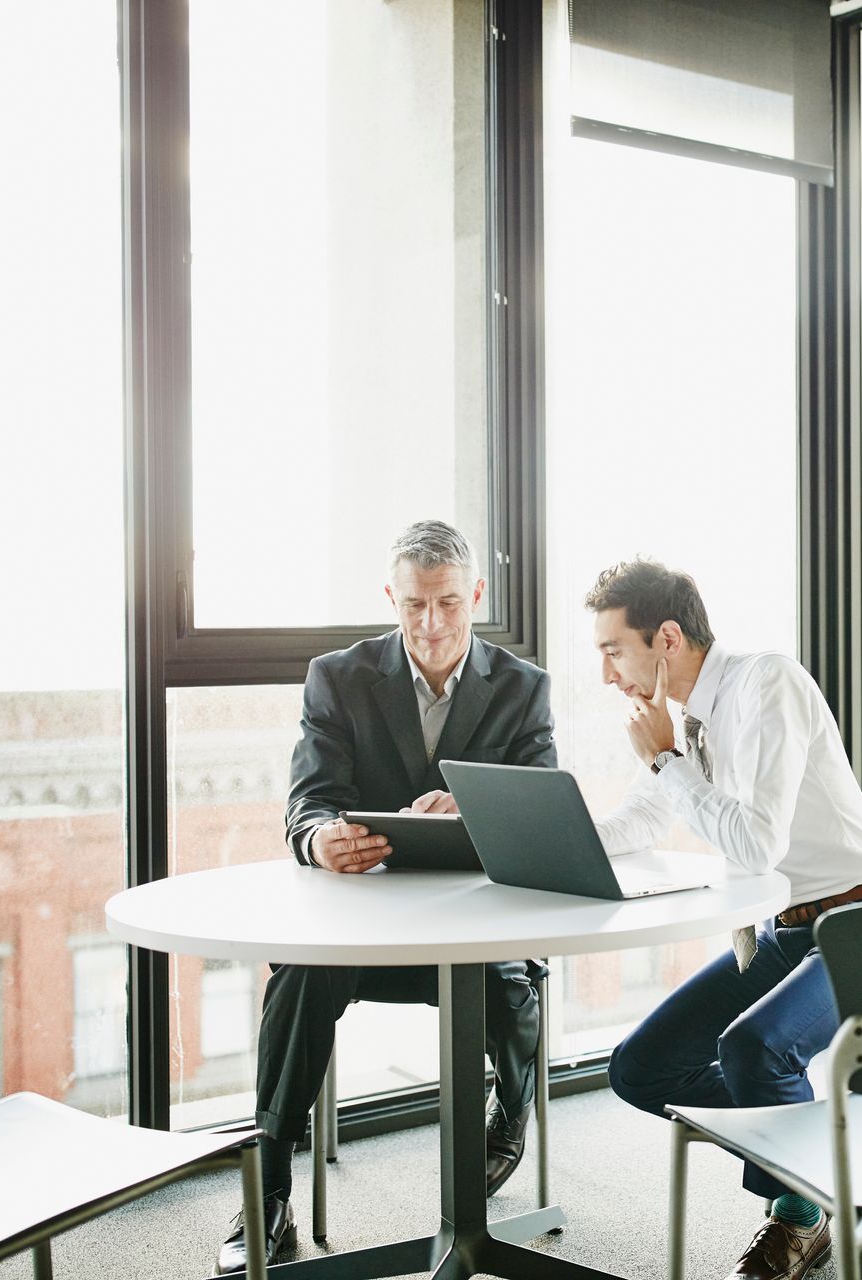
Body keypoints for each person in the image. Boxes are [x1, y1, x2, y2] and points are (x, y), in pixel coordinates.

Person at [216, 520, 557, 1274]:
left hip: (477, 928)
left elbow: (542, 815)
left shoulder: (524, 689)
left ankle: (510, 1114)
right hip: (363, 934)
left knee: (509, 979)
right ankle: (266, 1187)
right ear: (390, 599)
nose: (430, 626)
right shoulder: (338, 677)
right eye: (412, 607)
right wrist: (317, 840)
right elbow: (307, 803)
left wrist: (474, 811)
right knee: (298, 977)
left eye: (446, 605)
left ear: (475, 595)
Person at [587, 560, 862, 1280]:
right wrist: (545, 837)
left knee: (753, 1049)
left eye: (614, 650)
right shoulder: (687, 722)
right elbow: (639, 820)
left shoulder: (769, 684)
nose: (607, 676)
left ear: (666, 637)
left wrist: (669, 761)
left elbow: (759, 843)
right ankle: (816, 1151)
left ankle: (800, 1215)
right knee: (640, 1068)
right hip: (783, 932)